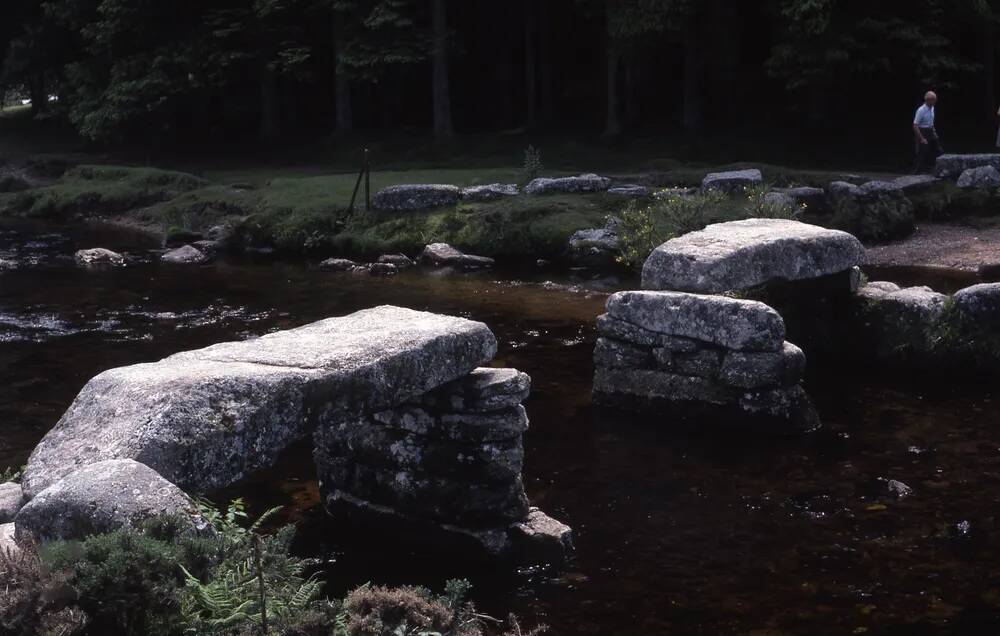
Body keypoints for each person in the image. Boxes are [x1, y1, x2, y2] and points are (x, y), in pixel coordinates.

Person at [912, 91, 942, 174]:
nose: (935, 102)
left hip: (930, 130)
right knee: (923, 152)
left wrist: (934, 131)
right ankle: (917, 172)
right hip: (922, 131)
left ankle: (935, 168)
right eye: (933, 100)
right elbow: (915, 125)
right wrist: (921, 138)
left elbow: (930, 121)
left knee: (938, 149)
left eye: (935, 100)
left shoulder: (932, 107)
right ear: (928, 100)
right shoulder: (921, 110)